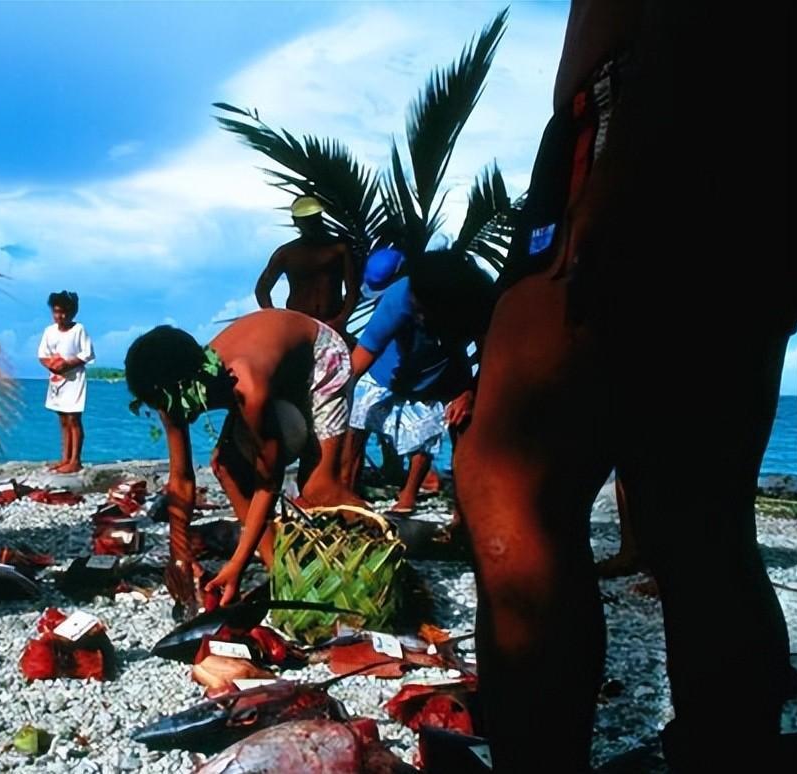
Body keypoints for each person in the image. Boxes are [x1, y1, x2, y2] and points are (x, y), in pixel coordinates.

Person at [452, 2, 797, 771]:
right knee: (700, 516)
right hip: (761, 138)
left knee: (510, 484)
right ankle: (728, 751)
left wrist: (615, 174)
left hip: (645, 107)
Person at [125, 309, 362, 612]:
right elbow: (182, 479)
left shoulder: (246, 385)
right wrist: (181, 557)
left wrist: (237, 562)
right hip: (276, 366)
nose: (166, 414)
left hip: (318, 356)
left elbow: (269, 480)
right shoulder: (168, 392)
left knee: (318, 488)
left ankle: (387, 552)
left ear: (188, 388)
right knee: (226, 467)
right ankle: (280, 571)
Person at [342, 248, 494, 515]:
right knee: (356, 420)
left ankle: (423, 501)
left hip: (441, 374)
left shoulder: (476, 304)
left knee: (436, 429)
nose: (420, 317)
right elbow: (358, 361)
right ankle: (346, 491)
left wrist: (470, 392)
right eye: (416, 310)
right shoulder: (399, 297)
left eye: (425, 311)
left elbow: (491, 356)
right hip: (385, 373)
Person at [255, 196, 359, 335]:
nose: (313, 223)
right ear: (296, 222)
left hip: (332, 322)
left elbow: (353, 290)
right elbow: (262, 289)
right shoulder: (286, 254)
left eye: (315, 218)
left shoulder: (340, 249)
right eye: (307, 220)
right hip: (298, 324)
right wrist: (277, 317)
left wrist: (340, 320)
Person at [37, 290, 94, 474]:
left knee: (73, 418)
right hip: (56, 380)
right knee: (62, 419)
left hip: (74, 379)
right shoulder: (49, 331)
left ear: (72, 312)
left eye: (63, 312)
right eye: (56, 312)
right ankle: (65, 458)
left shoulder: (79, 330)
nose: (59, 316)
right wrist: (53, 366)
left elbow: (87, 354)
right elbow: (42, 355)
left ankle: (75, 460)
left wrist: (67, 364)